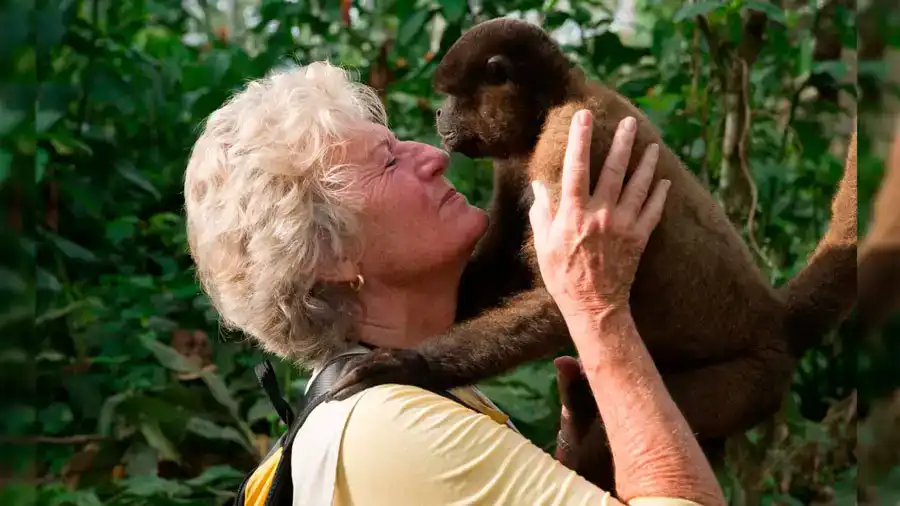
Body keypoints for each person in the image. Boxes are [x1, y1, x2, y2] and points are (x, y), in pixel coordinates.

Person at [183, 60, 726, 506]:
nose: (436, 156)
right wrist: (597, 307)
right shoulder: (384, 428)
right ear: (332, 254)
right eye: (389, 160)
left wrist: (576, 463)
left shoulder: (413, 399)